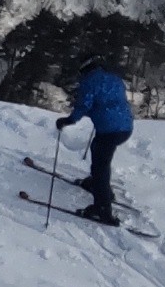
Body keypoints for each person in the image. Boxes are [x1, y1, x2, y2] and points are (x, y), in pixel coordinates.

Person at [57, 56, 135, 223]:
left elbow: (84, 104)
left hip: (109, 130)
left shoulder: (89, 81)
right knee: (100, 153)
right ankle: (97, 185)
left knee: (100, 165)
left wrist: (69, 120)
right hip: (125, 127)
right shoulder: (114, 78)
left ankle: (102, 207)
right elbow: (110, 101)